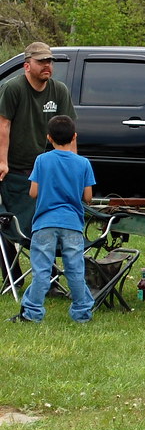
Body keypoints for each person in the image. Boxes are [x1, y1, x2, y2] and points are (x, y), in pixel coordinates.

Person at [0, 42, 76, 289]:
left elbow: (69, 133)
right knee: (9, 222)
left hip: (46, 171)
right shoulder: (13, 88)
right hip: (16, 169)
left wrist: (72, 167)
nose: (47, 65)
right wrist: (2, 161)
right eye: (41, 61)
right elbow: (3, 125)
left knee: (46, 223)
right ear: (27, 66)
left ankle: (50, 280)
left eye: (49, 61)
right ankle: (13, 276)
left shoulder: (59, 90)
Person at [9, 116, 95, 323]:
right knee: (75, 270)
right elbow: (88, 197)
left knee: (41, 270)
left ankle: (32, 313)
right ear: (74, 137)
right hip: (72, 224)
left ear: (48, 137)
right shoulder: (83, 163)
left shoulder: (42, 160)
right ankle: (82, 312)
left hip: (45, 223)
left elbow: (33, 192)